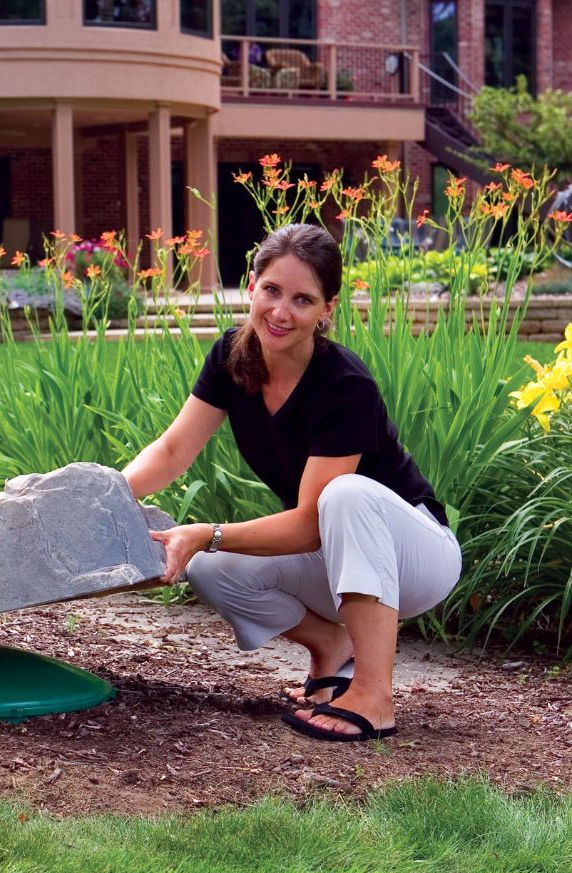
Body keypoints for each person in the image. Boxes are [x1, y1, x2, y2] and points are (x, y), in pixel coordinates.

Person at [122, 223, 461, 742]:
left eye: (303, 299)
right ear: (252, 284)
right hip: (335, 554)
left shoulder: (346, 386)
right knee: (211, 567)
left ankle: (374, 695)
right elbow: (170, 453)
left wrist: (207, 530)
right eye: (272, 290)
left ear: (328, 309)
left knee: (341, 495)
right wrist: (105, 500)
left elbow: (308, 523)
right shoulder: (232, 358)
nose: (280, 312)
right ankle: (331, 646)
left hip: (415, 557)